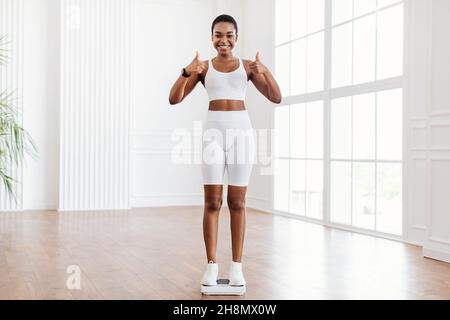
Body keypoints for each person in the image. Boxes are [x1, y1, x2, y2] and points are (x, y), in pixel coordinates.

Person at [168, 14, 281, 287]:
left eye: (229, 35)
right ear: (212, 37)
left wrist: (264, 70)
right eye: (218, 35)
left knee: (238, 203)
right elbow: (174, 98)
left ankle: (237, 268)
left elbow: (276, 97)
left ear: (236, 37)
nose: (224, 40)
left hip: (242, 135)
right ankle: (210, 266)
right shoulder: (202, 68)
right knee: (212, 202)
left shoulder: (248, 67)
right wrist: (186, 71)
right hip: (212, 137)